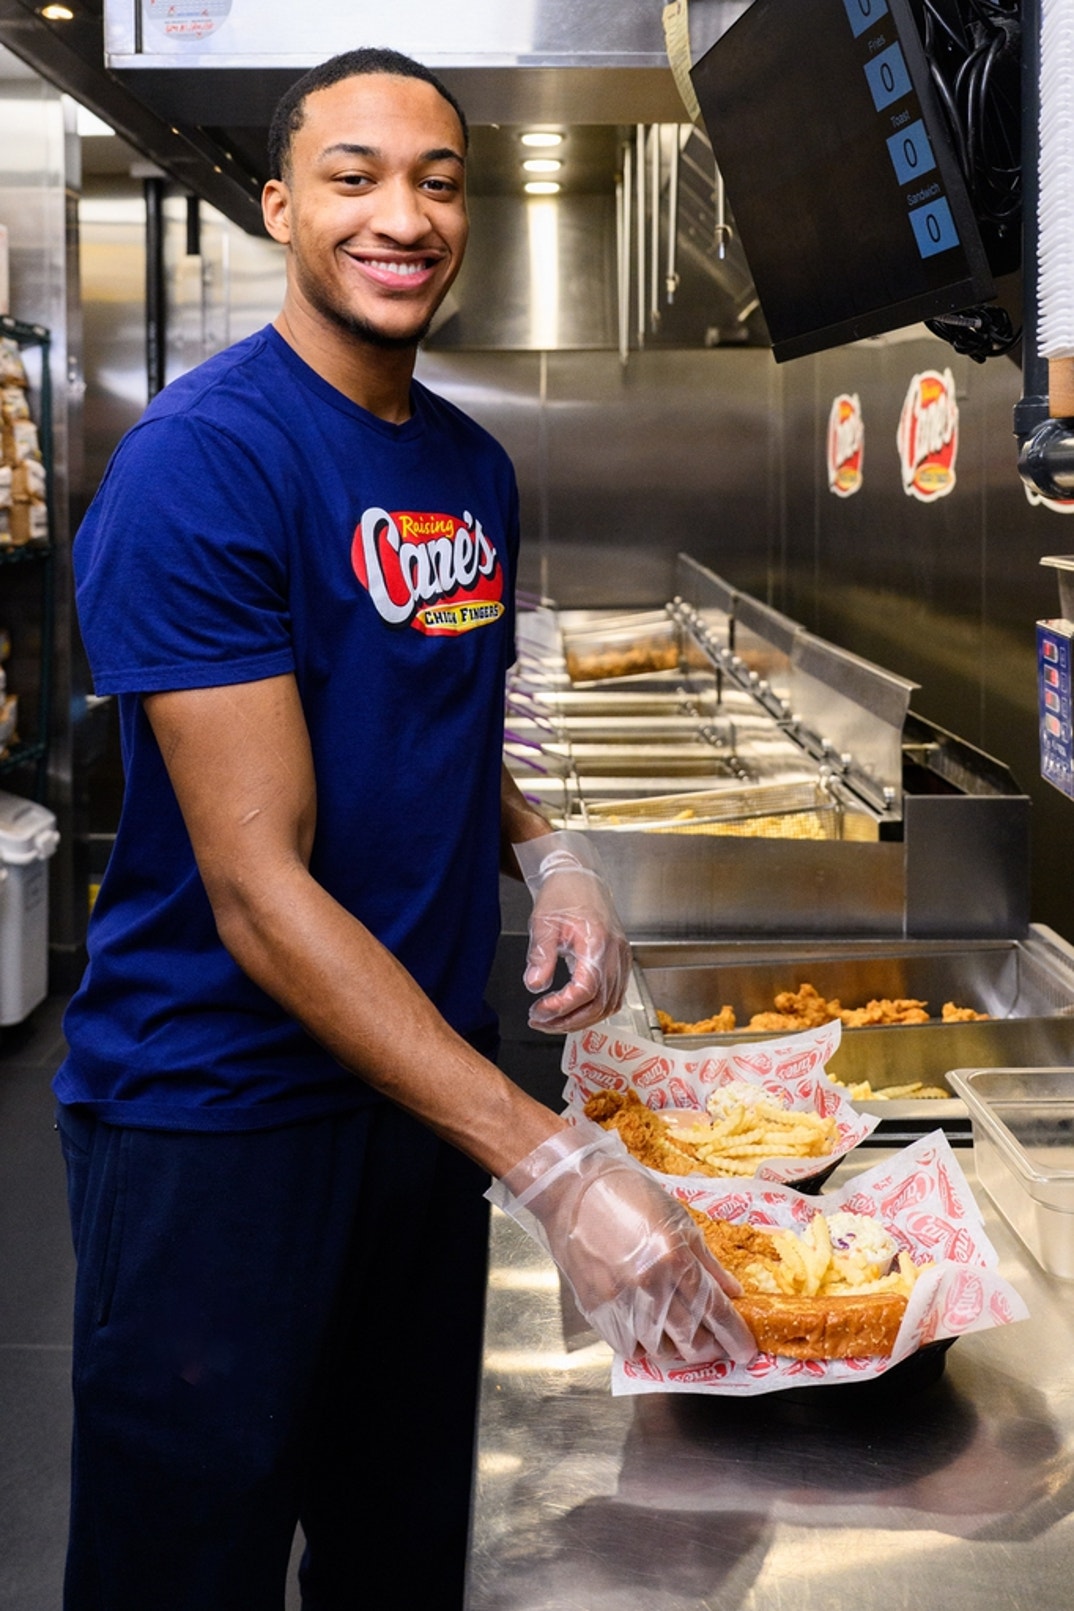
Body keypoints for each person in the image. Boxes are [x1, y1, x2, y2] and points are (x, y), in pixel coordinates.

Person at [54, 46, 754, 1611]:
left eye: (438, 181)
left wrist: (543, 847)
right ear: (280, 203)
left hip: (413, 1103)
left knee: (395, 1557)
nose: (403, 216)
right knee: (189, 1572)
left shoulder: (467, 466)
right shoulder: (207, 465)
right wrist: (555, 1165)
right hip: (216, 1124)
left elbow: (413, 715)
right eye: (357, 177)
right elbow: (253, 886)